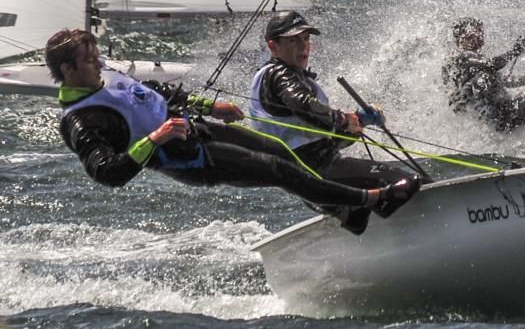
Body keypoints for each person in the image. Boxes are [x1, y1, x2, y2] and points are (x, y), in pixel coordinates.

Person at [48, 28, 418, 234]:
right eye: (90, 58)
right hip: (188, 159)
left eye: (97, 54)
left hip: (199, 130)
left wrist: (211, 107)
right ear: (67, 69)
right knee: (278, 172)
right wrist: (155, 139)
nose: (99, 61)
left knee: (281, 154)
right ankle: (370, 200)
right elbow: (107, 173)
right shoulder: (81, 120)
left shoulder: (104, 74)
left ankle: (347, 214)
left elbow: (154, 93)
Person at [248, 10, 415, 194]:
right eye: (293, 40)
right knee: (407, 183)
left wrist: (358, 123)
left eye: (305, 38)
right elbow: (302, 105)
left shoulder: (289, 79)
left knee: (371, 205)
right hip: (316, 170)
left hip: (310, 178)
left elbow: (323, 142)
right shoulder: (278, 74)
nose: (303, 46)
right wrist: (342, 119)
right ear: (273, 46)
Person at [442, 17, 525, 161]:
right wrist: (513, 52)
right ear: (460, 39)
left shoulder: (477, 59)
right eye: (473, 35)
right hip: (495, 115)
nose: (479, 37)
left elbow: (507, 81)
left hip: (501, 110)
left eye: (480, 32)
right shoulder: (459, 57)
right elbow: (491, 64)